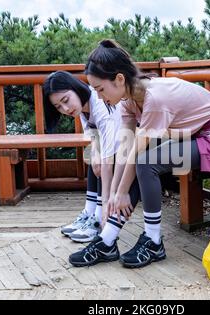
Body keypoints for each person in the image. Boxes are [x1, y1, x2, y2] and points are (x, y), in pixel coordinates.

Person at [68, 39, 210, 268]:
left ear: (119, 79)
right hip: (190, 137)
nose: (100, 97)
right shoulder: (127, 99)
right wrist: (114, 194)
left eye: (100, 89)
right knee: (139, 163)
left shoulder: (154, 98)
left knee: (146, 162)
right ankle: (107, 240)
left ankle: (154, 241)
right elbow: (126, 148)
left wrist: (121, 192)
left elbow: (138, 154)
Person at [43, 71, 140, 245]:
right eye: (58, 107)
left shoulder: (101, 105)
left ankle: (98, 217)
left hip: (135, 145)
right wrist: (95, 152)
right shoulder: (84, 108)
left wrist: (107, 203)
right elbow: (94, 136)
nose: (66, 109)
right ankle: (89, 212)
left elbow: (109, 159)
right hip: (121, 145)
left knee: (101, 162)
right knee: (93, 158)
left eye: (65, 100)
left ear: (75, 88)